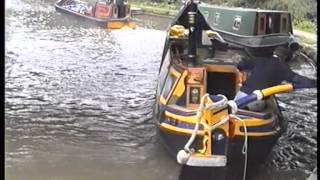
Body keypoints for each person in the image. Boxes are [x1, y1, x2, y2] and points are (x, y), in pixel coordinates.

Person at [234, 47, 316, 111]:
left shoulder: (260, 60)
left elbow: (240, 65)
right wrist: (313, 83)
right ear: (286, 57)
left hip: (241, 95)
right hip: (256, 101)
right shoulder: (283, 68)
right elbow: (298, 79)